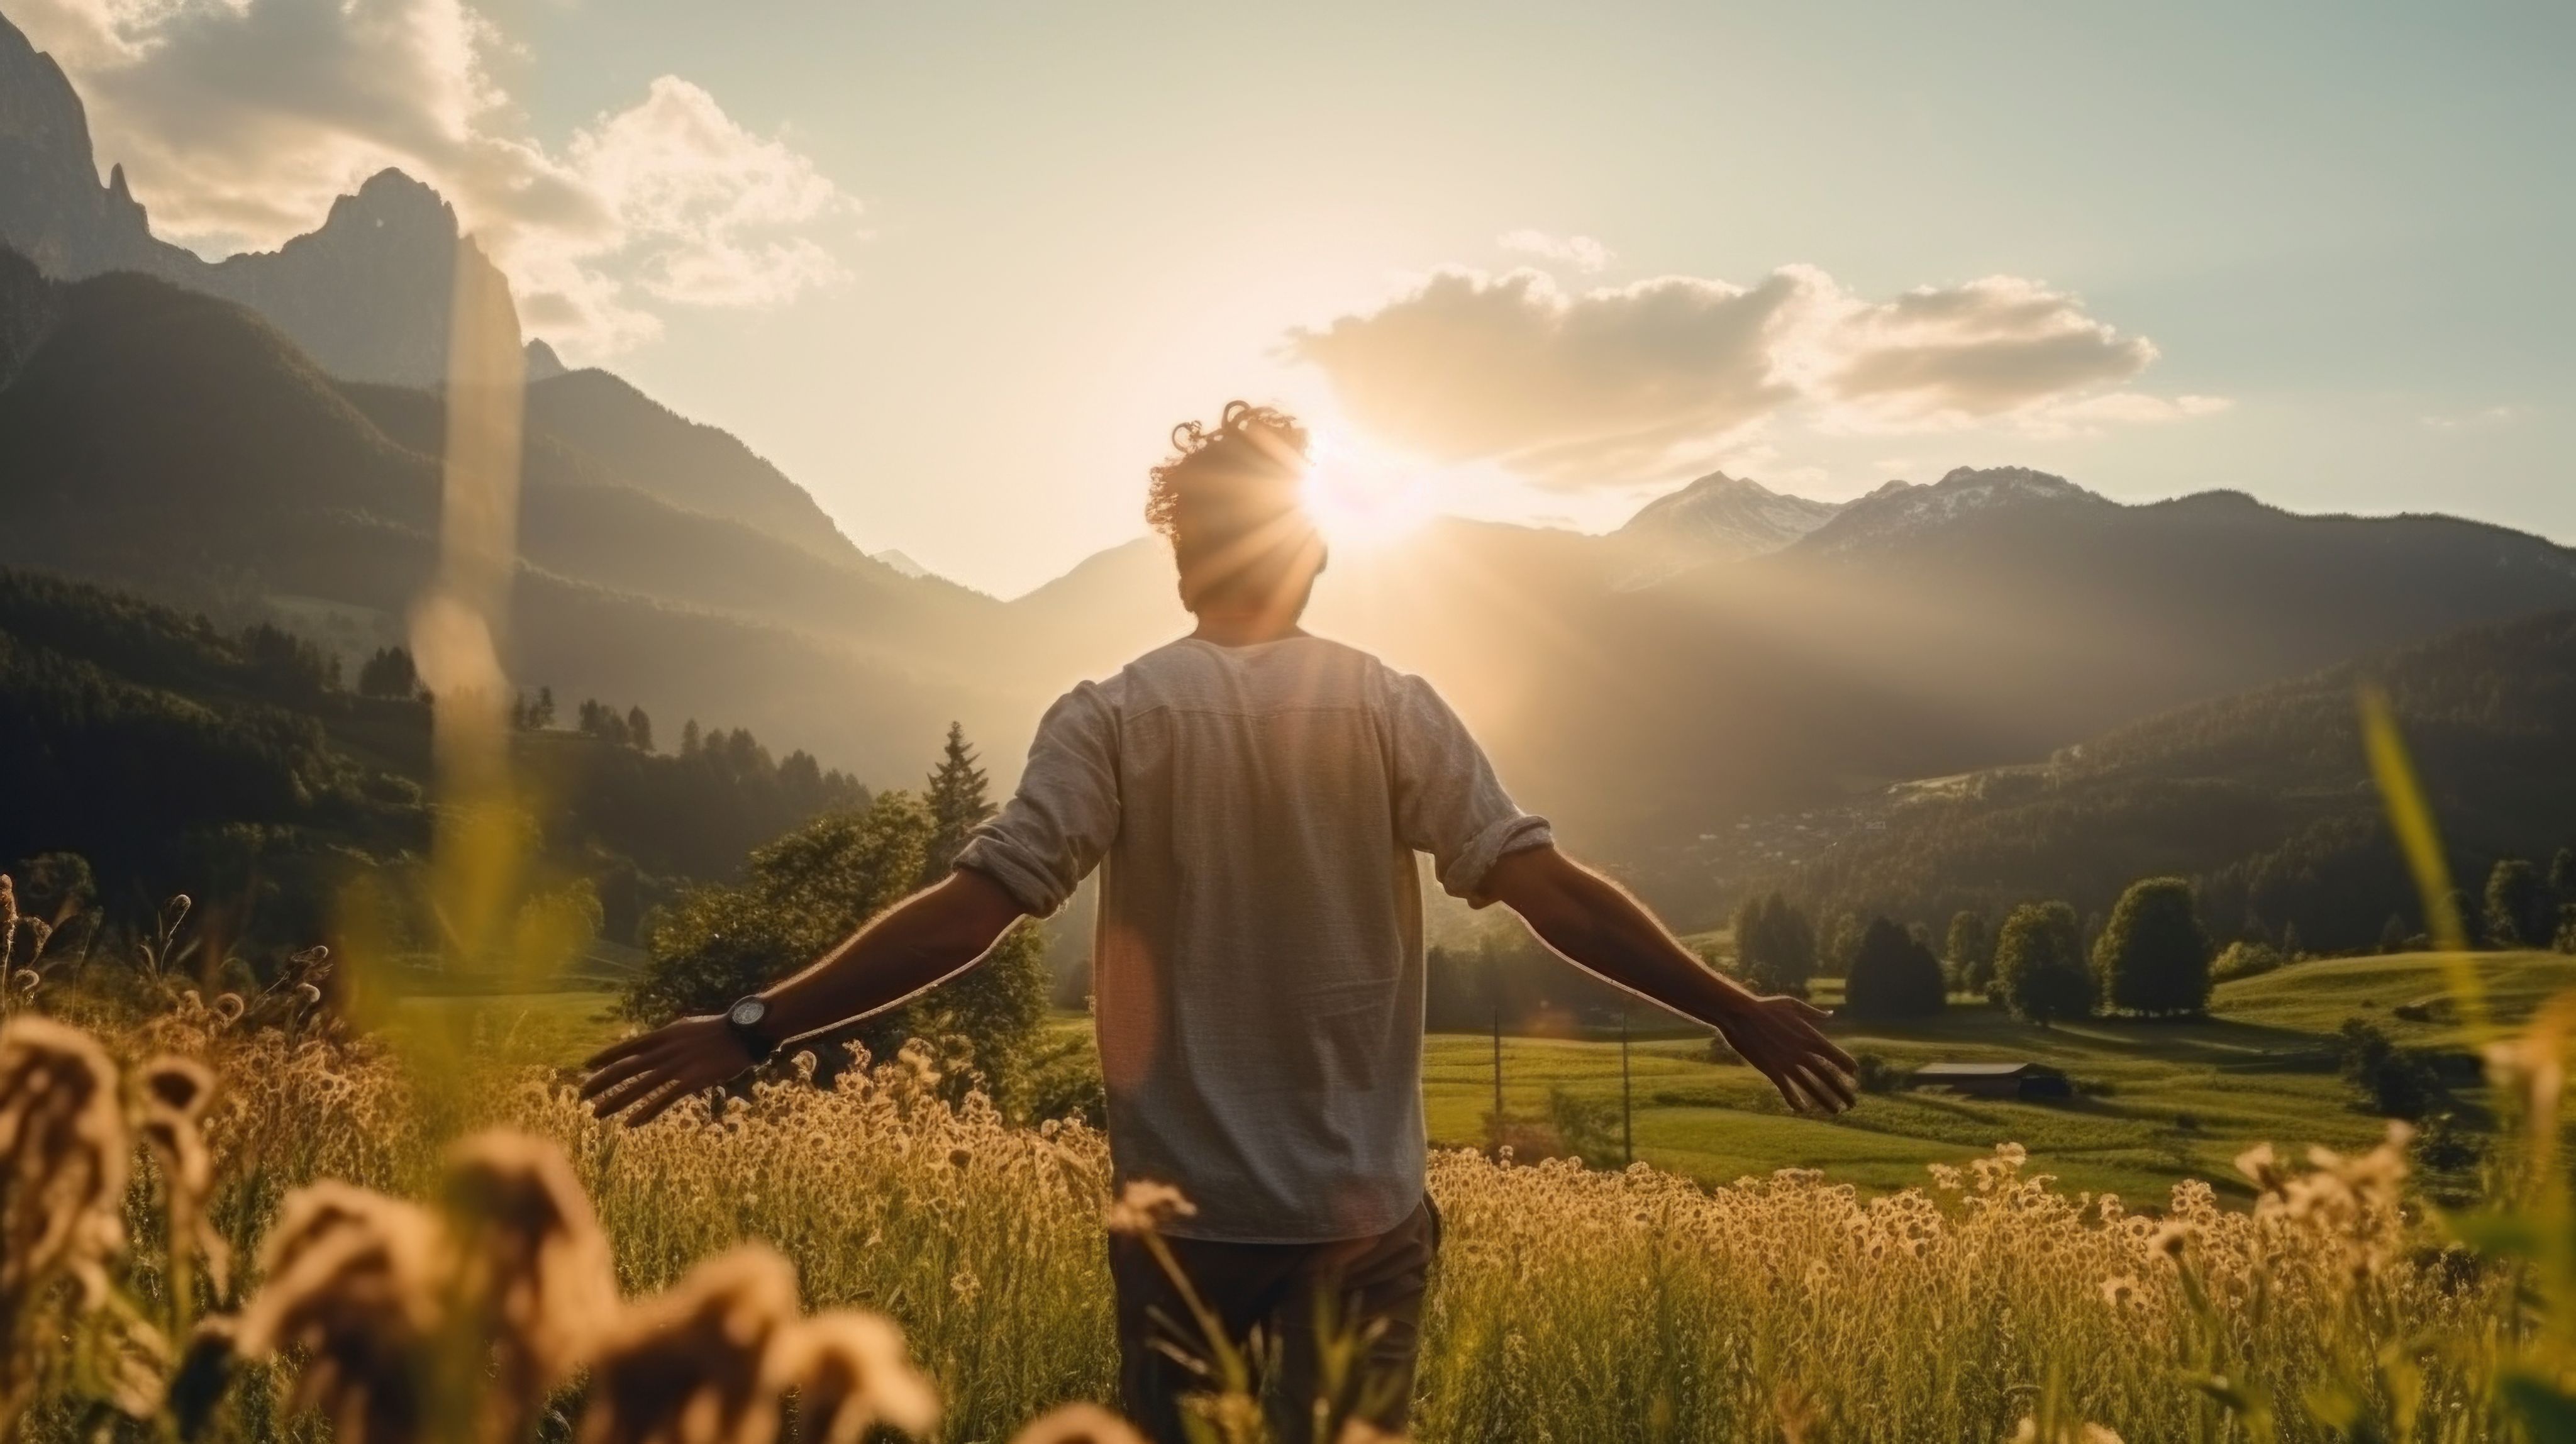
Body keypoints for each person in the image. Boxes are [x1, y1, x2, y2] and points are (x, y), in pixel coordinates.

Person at [580, 401, 1858, 1441]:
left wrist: (755, 1024)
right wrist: (1734, 1007)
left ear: (1182, 557)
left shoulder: (1113, 717)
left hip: (1179, 1235)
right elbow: (1547, 890)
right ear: (1310, 551)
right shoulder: (1387, 708)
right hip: (1360, 1227)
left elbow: (970, 914)